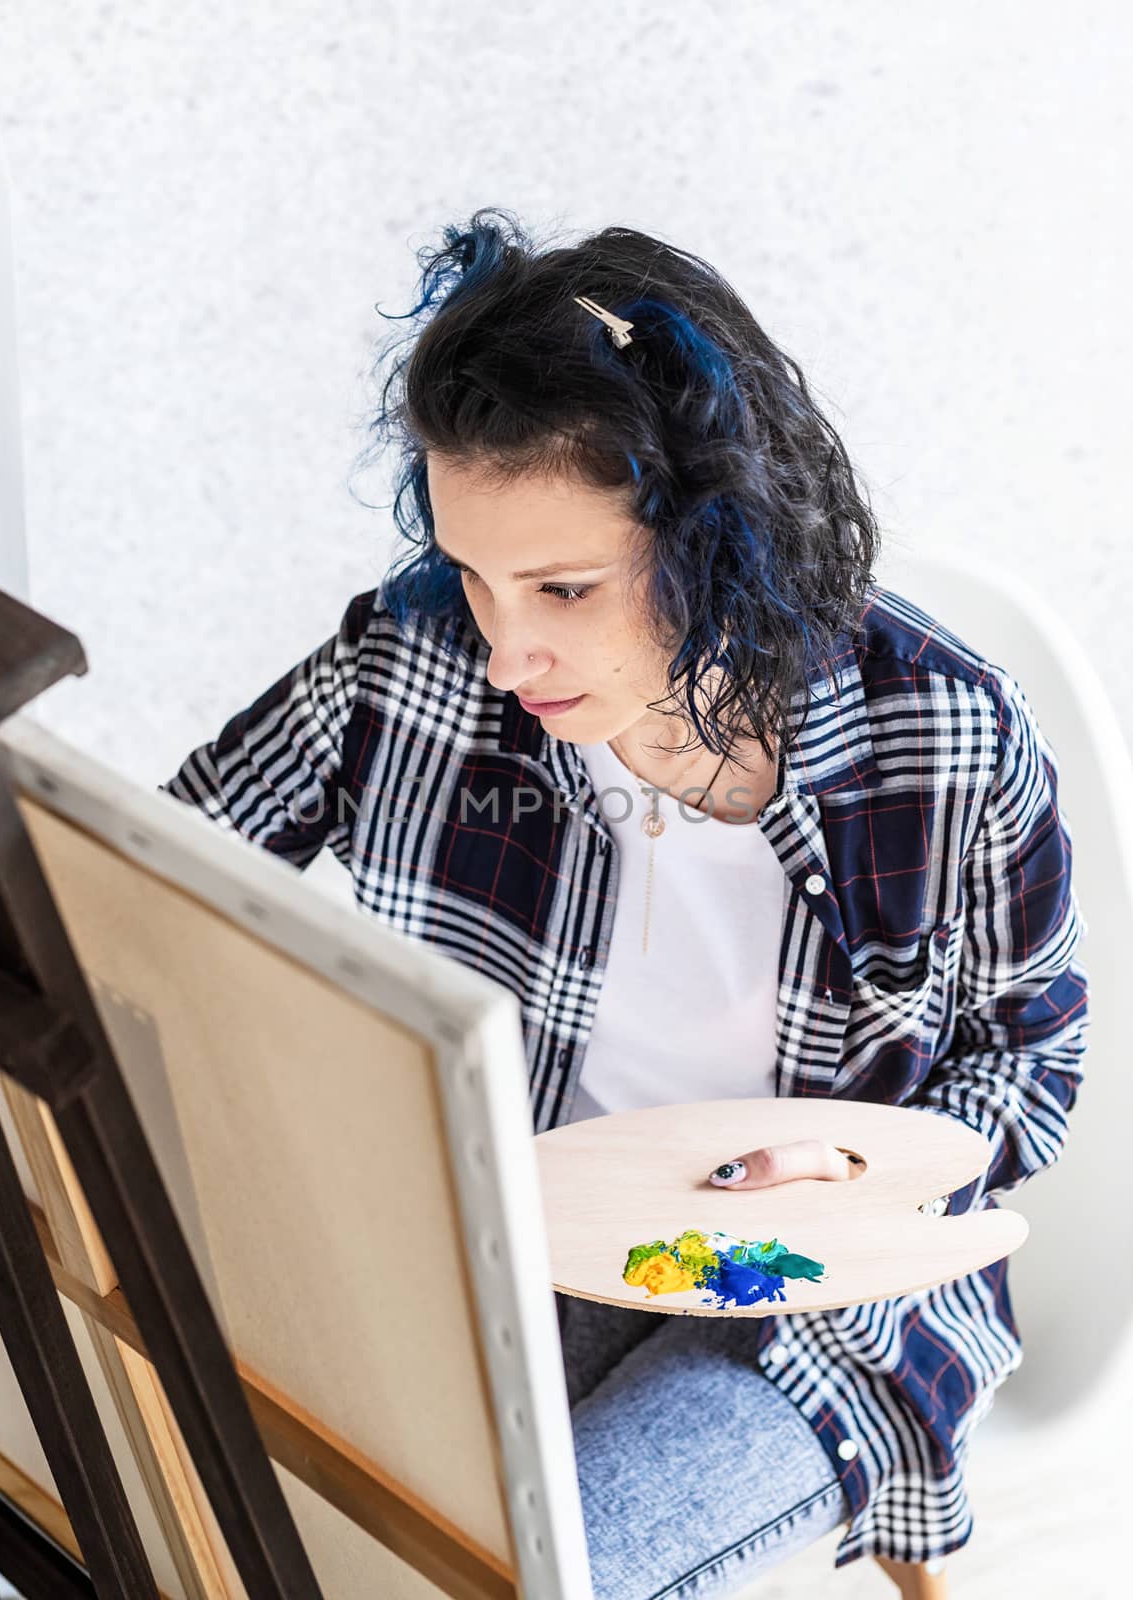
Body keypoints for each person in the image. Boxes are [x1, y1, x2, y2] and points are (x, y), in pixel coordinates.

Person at [160, 208, 1089, 1596]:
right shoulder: (406, 664)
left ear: (720, 540)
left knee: (540, 1576)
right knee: (240, 1514)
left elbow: (1030, 1058)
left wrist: (856, 1169)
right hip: (508, 1237)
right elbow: (162, 873)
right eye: (474, 577)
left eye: (563, 587)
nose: (504, 651)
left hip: (816, 1295)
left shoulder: (941, 733)